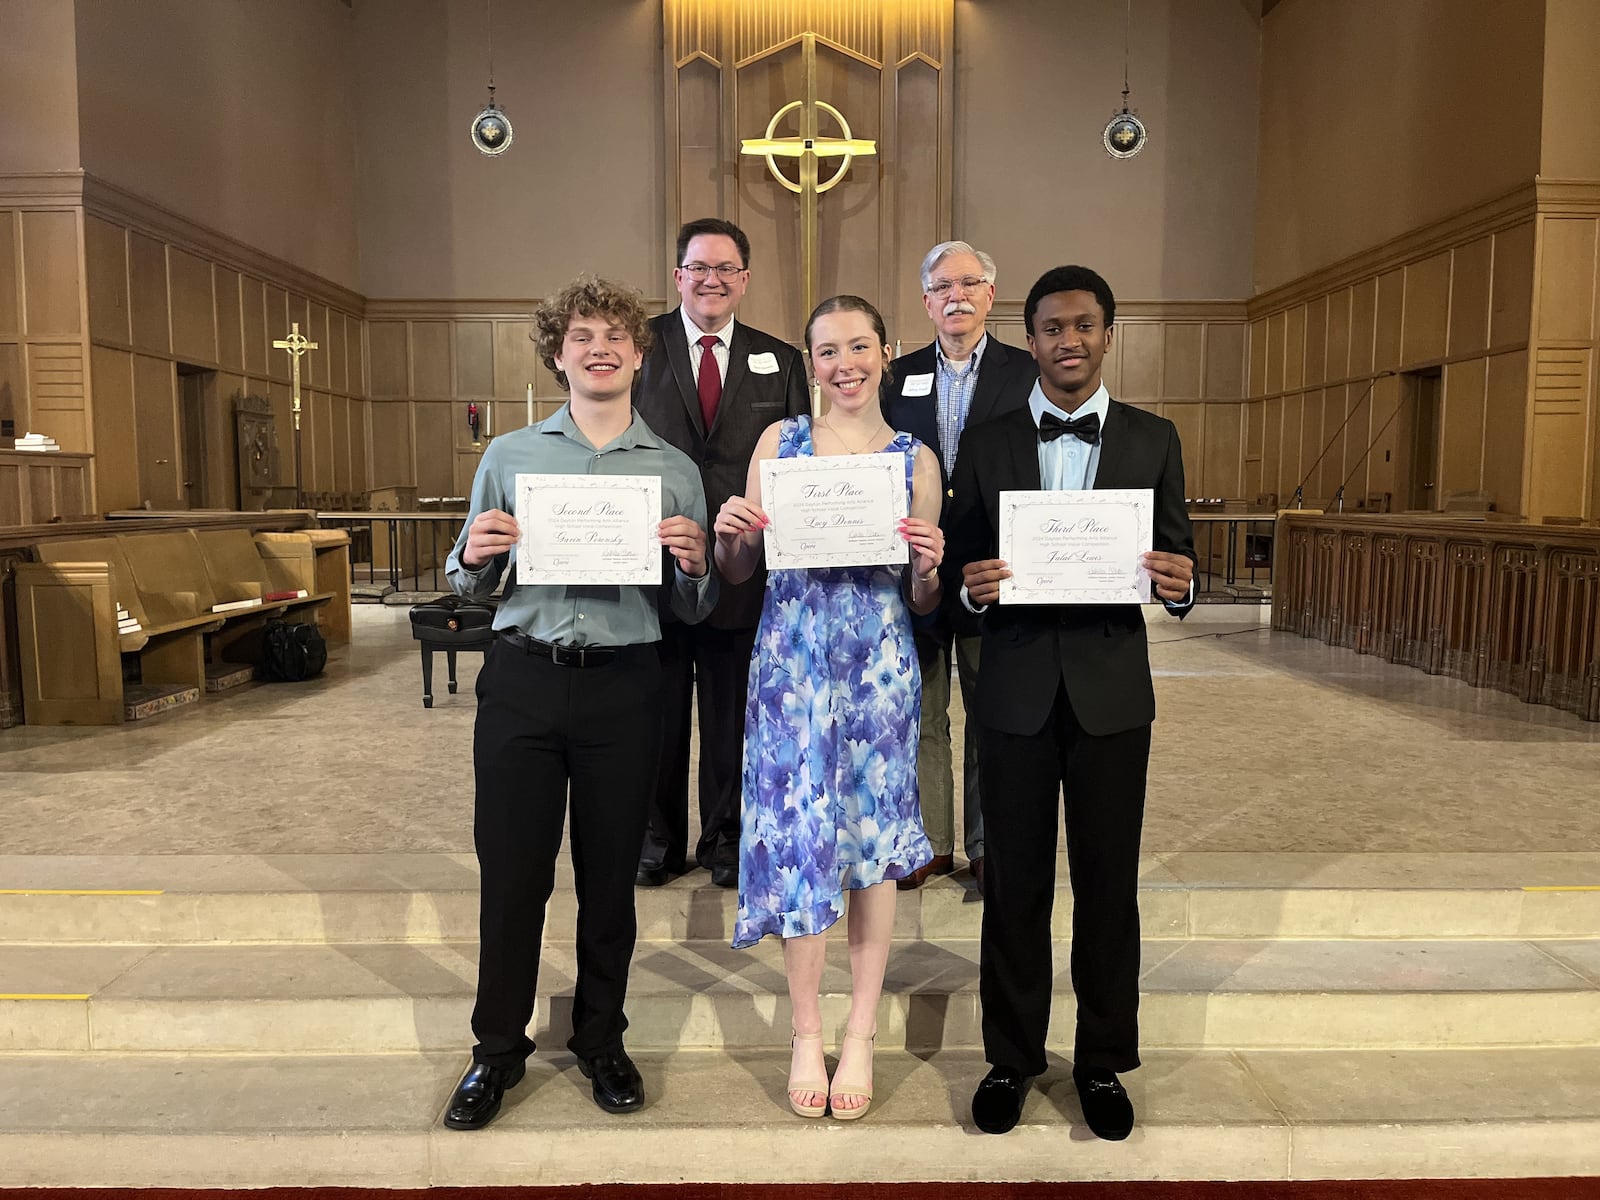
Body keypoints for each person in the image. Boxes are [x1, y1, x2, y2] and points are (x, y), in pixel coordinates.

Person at [440, 276, 717, 1131]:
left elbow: (695, 610)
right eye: (581, 336)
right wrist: (477, 556)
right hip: (523, 679)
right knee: (513, 876)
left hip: (628, 686)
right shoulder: (510, 456)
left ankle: (601, 1038)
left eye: (615, 336)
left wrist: (696, 565)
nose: (599, 348)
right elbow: (463, 578)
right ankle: (496, 1049)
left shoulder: (672, 470)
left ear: (639, 353)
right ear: (557, 355)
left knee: (610, 882)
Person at [944, 265, 1196, 1142]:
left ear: (1108, 334)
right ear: (1033, 339)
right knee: (1012, 884)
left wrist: (1181, 586)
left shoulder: (1153, 439)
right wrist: (971, 590)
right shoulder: (988, 443)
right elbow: (954, 578)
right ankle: (1011, 1057)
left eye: (1084, 326)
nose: (1069, 342)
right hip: (1013, 690)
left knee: (1106, 885)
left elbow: (1178, 562)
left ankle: (1101, 1060)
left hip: (1112, 695)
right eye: (1052, 328)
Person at [713, 295, 943, 1121]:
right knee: (804, 840)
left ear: (886, 351)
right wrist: (731, 533)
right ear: (809, 363)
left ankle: (862, 1032)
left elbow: (921, 598)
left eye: (858, 346)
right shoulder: (781, 443)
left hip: (878, 667)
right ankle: (806, 1031)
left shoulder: (915, 458)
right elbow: (740, 569)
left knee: (872, 848)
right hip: (793, 667)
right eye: (826, 350)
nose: (844, 363)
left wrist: (930, 563)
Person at [633, 218, 811, 890]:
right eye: (698, 268)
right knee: (657, 712)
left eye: (726, 268)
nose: (712, 280)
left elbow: (794, 460)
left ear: (745, 278)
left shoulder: (781, 359)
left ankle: (727, 838)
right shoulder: (638, 348)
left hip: (744, 565)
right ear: (678, 276)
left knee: (736, 713)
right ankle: (656, 839)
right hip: (654, 561)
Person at [881, 241, 1039, 895]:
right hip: (912, 571)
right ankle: (930, 844)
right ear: (925, 301)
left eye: (970, 282)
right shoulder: (896, 376)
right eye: (942, 285)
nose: (957, 295)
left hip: (988, 569)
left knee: (988, 710)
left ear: (990, 295)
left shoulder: (1026, 375)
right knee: (921, 712)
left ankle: (983, 844)